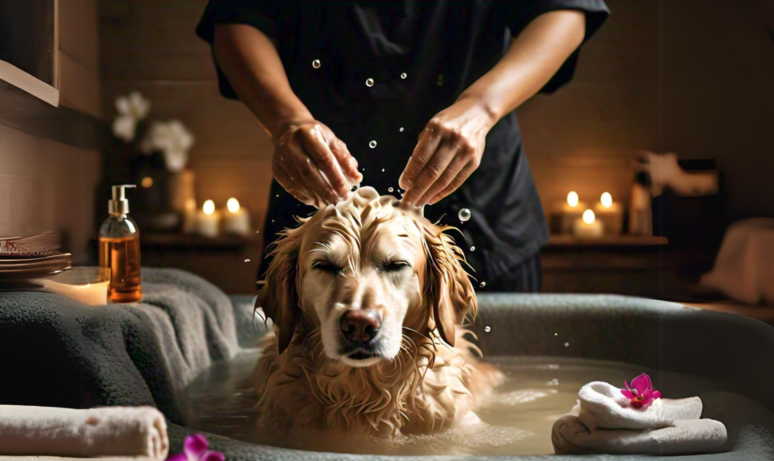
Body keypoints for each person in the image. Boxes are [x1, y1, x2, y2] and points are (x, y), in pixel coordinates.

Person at [198, 1, 608, 292]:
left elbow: (564, 10)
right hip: (313, 227)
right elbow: (237, 18)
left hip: (486, 223)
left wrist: (481, 107)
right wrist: (287, 121)